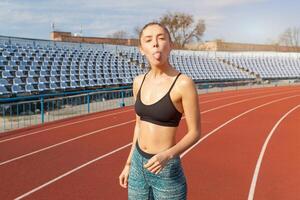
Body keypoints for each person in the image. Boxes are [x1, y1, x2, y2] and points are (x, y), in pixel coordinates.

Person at [119, 22, 201, 200]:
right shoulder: (138, 82)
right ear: (142, 49)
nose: (155, 43)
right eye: (148, 40)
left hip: (167, 169)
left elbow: (195, 132)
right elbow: (139, 125)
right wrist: (129, 163)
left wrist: (168, 155)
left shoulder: (183, 84)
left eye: (161, 38)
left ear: (170, 45)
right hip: (138, 167)